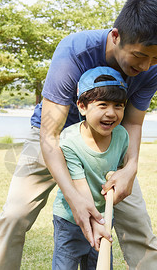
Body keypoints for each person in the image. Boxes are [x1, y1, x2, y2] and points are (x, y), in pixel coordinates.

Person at [0, 0, 157, 270]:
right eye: (139, 56)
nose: (146, 66)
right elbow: (50, 136)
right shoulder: (74, 52)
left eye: (156, 57)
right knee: (14, 216)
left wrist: (130, 168)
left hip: (108, 142)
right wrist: (76, 198)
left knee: (138, 226)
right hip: (54, 137)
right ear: (115, 36)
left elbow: (134, 123)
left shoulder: (154, 67)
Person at [52, 66, 129, 269]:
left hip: (104, 217)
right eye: (103, 105)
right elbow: (80, 186)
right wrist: (95, 221)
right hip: (70, 218)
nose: (111, 113)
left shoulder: (121, 136)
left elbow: (121, 168)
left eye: (118, 105)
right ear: (82, 106)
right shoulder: (70, 140)